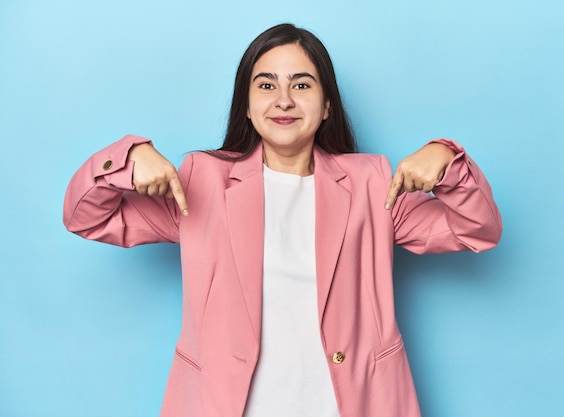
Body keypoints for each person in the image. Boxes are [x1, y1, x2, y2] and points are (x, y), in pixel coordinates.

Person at [63, 23, 502, 417]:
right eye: (267, 84)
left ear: (327, 105)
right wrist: (128, 156)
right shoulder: (202, 181)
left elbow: (476, 230)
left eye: (302, 85)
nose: (284, 100)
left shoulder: (373, 183)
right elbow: (86, 218)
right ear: (248, 106)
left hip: (355, 404)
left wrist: (448, 160)